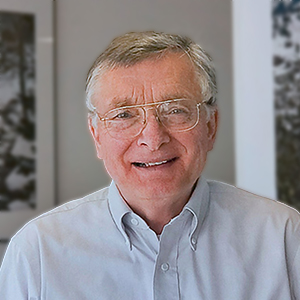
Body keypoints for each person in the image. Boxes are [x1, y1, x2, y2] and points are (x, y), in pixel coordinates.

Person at [0, 31, 299, 300]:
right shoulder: (38, 252)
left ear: (210, 127)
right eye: (124, 115)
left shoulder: (283, 237)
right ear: (97, 136)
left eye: (176, 110)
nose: (153, 138)